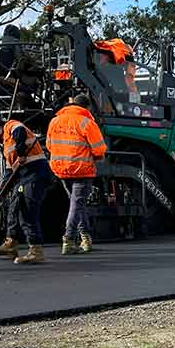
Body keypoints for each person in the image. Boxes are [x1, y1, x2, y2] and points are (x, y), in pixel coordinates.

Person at [0, 115, 52, 264]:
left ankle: (36, 251)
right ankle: (10, 243)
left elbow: (20, 132)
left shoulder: (11, 126)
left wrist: (21, 154)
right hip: (23, 177)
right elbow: (9, 174)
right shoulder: (6, 145)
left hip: (35, 174)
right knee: (13, 207)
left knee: (27, 212)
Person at [47, 94, 107, 254]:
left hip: (61, 170)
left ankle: (86, 239)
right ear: (86, 107)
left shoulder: (55, 121)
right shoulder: (86, 122)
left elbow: (49, 145)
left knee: (77, 205)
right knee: (77, 205)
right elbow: (99, 149)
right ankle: (69, 239)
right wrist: (98, 157)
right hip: (82, 169)